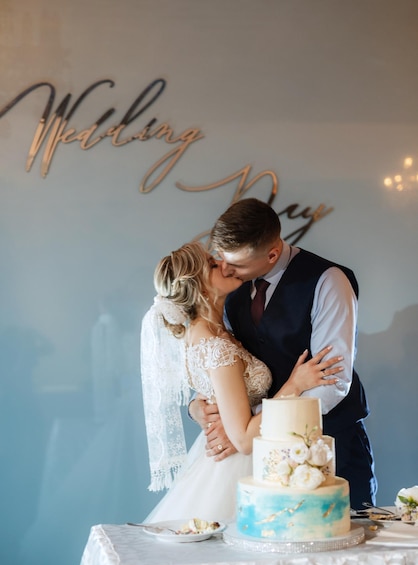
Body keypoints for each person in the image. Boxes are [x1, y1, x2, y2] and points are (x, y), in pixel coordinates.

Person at [189, 198, 377, 510]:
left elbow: (331, 383)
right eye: (221, 258)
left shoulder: (328, 281)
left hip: (325, 448)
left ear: (272, 254)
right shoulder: (228, 289)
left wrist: (248, 426)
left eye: (235, 264)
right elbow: (219, 359)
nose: (223, 269)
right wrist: (201, 407)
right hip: (256, 456)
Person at [141, 241, 344, 523]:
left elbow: (212, 395)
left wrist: (198, 408)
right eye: (212, 265)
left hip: (230, 454)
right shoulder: (216, 345)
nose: (223, 264)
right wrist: (294, 385)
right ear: (199, 287)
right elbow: (245, 439)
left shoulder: (208, 329)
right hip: (237, 465)